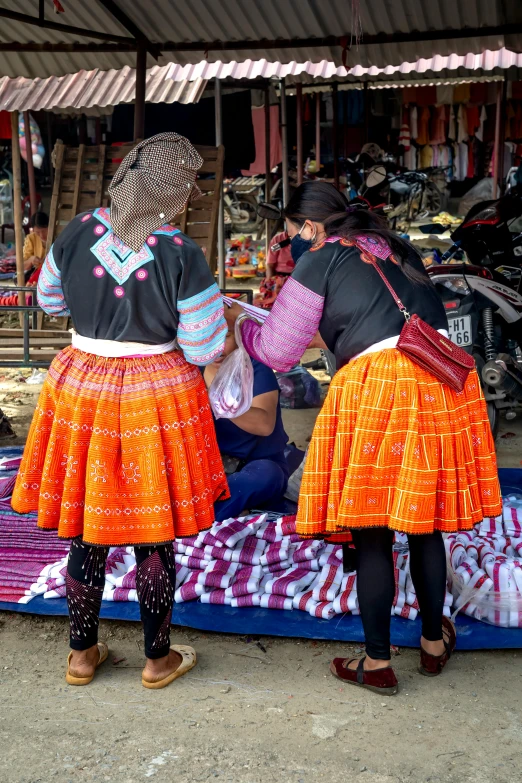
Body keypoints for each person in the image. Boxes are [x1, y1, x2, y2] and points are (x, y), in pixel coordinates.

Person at [225, 181, 502, 695]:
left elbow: (280, 352)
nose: (292, 245)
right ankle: (434, 644)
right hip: (442, 379)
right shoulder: (393, 245)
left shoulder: (320, 258)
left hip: (383, 382)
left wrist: (241, 325)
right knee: (424, 523)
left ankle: (377, 663)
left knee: (373, 528)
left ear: (309, 226)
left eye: (291, 235)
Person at [12, 133, 230, 690]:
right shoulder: (181, 252)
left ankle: (82, 655)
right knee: (153, 531)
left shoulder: (77, 230)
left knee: (87, 526)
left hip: (81, 382)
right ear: (175, 190)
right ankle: (158, 659)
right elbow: (205, 346)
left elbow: (51, 302)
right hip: (154, 392)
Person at [203, 328, 289, 521]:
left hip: (256, 466)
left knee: (266, 475)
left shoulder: (255, 366)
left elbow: (264, 425)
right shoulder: (192, 370)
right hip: (212, 468)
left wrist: (217, 399)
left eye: (225, 337)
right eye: (208, 336)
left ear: (239, 335)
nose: (218, 347)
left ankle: (203, 521)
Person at [258, 229, 295, 309]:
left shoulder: (308, 240)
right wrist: (270, 280)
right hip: (279, 277)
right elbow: (270, 265)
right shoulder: (278, 240)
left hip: (298, 278)